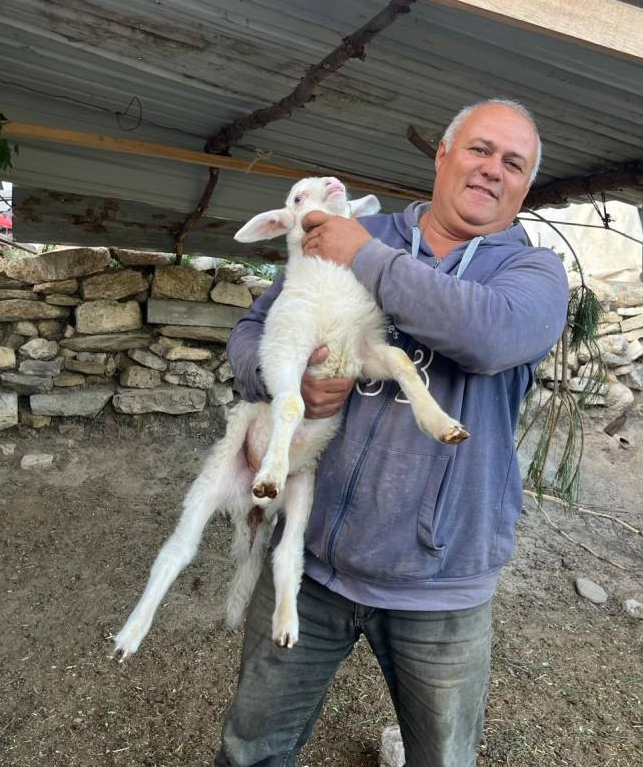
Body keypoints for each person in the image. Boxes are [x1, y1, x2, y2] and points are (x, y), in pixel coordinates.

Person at [220, 99, 569, 767]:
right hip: (312, 561)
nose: (493, 170)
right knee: (251, 750)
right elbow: (251, 331)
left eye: (513, 163)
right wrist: (280, 381)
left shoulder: (533, 276)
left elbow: (487, 334)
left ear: (524, 188)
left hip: (441, 585)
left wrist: (366, 258)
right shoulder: (353, 229)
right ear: (442, 155)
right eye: (479, 149)